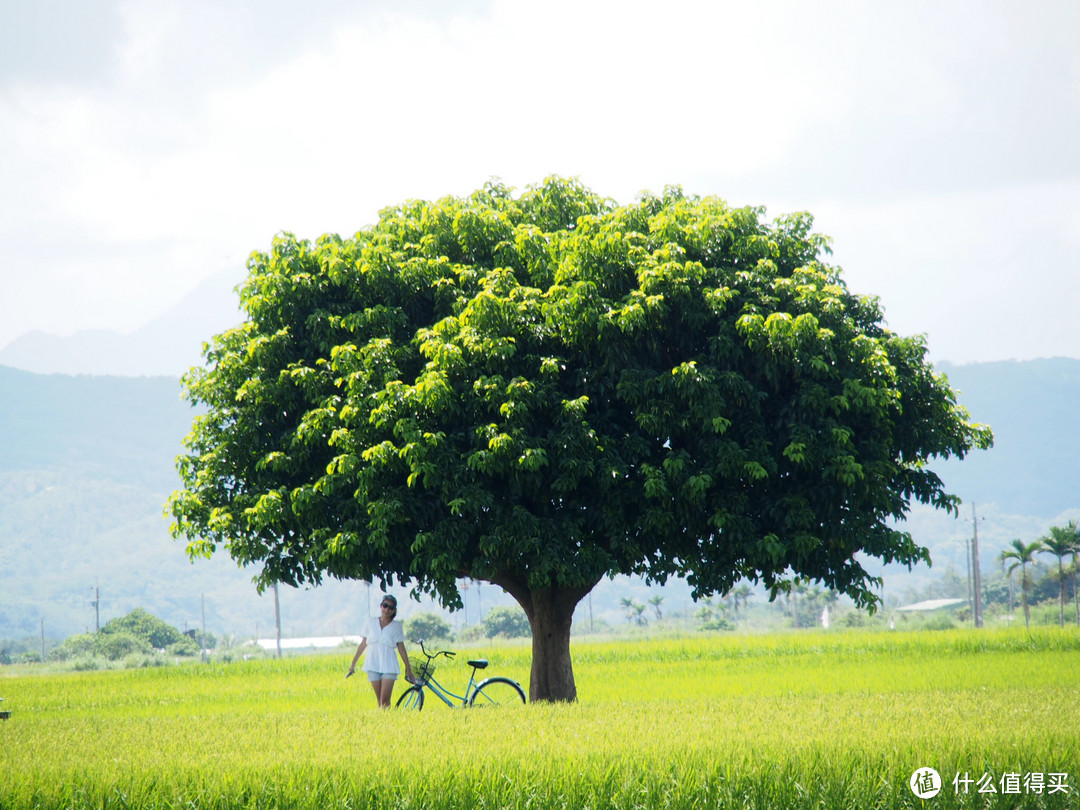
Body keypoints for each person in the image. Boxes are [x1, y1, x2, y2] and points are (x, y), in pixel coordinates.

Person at [347, 594, 413, 708]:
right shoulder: (371, 622)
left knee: (385, 700)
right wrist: (353, 664)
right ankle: (383, 722)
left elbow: (401, 648)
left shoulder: (396, 626)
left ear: (394, 611)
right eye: (385, 606)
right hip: (373, 663)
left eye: (390, 607)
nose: (387, 609)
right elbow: (363, 644)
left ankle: (389, 721)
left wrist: (408, 669)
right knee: (379, 701)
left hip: (389, 664)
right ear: (381, 606)